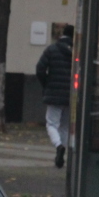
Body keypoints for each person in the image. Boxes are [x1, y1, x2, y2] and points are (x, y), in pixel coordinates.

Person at [36, 24, 73, 168]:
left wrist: (47, 84)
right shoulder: (76, 52)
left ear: (62, 34)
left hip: (54, 94)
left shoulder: (51, 49)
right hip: (70, 96)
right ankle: (61, 155)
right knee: (64, 126)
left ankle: (58, 147)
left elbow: (40, 69)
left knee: (51, 123)